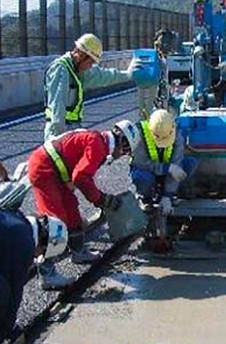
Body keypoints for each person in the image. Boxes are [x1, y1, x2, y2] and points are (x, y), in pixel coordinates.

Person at [28, 120, 141, 289]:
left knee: (72, 213)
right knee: (55, 222)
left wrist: (99, 198)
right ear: (122, 144)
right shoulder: (98, 146)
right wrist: (101, 200)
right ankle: (47, 274)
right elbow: (81, 178)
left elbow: (78, 174)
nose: (122, 155)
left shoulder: (100, 142)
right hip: (44, 169)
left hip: (56, 171)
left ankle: (78, 253)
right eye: (125, 151)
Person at [44, 33, 140, 140]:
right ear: (81, 55)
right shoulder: (61, 69)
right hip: (58, 132)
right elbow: (57, 106)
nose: (91, 65)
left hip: (72, 129)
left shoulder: (78, 70)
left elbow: (103, 76)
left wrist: (128, 75)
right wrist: (58, 140)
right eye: (91, 61)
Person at [0, 212, 68, 340]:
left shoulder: (15, 218)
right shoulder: (25, 246)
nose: (36, 256)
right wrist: (6, 332)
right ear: (44, 245)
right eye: (41, 253)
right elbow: (14, 295)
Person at [130, 110, 186, 215]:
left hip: (166, 173)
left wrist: (167, 195)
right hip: (148, 171)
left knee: (187, 165)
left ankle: (172, 194)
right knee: (141, 176)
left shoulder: (177, 134)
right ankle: (146, 199)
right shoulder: (139, 133)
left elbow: (177, 163)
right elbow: (141, 163)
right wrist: (166, 168)